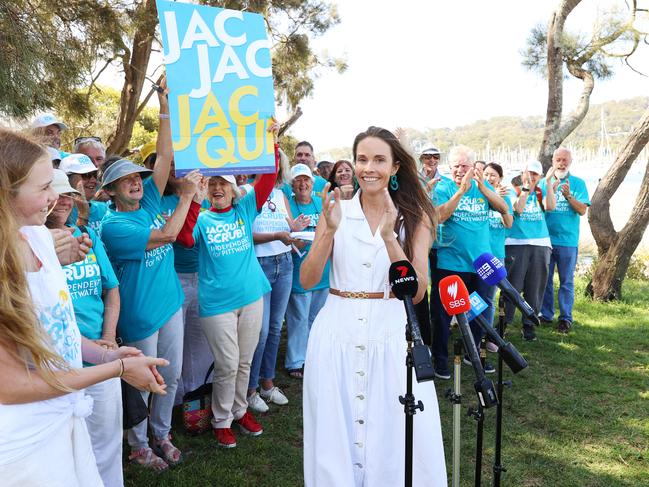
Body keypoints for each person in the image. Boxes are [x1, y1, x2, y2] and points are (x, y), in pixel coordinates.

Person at [0, 128, 167, 486]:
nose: (56, 197)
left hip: (63, 418)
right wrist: (118, 368)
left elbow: (59, 332)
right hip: (22, 445)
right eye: (45, 188)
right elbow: (12, 385)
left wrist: (107, 353)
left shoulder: (41, 240)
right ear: (6, 193)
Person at [301, 126, 447, 486]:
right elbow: (306, 279)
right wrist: (329, 232)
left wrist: (389, 240)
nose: (369, 168)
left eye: (379, 159)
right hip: (337, 334)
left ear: (395, 167)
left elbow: (417, 292)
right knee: (335, 434)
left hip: (391, 335)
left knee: (394, 433)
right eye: (362, 159)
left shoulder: (416, 217)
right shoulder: (336, 211)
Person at [100, 82, 201, 470]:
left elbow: (164, 155)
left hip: (170, 305)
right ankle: (139, 445)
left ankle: (162, 434)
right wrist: (190, 195)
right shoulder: (113, 226)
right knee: (142, 381)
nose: (136, 182)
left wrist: (164, 107)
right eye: (127, 180)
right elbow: (169, 235)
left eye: (138, 178)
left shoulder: (151, 200)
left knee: (170, 377)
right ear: (111, 190)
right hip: (140, 316)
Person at [176, 123, 281, 448]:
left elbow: (266, 180)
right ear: (207, 189)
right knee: (227, 363)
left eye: (225, 183)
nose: (219, 187)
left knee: (245, 361)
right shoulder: (203, 217)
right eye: (214, 183)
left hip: (251, 296)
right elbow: (184, 238)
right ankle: (221, 419)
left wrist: (271, 142)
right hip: (217, 303)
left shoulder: (245, 209)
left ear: (235, 189)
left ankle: (239, 410)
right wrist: (193, 199)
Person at [45, 169, 124, 487]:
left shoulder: (87, 239)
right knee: (65, 449)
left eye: (70, 194)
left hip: (98, 356)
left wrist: (107, 339)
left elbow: (112, 291)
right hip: (55, 363)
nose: (64, 200)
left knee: (107, 440)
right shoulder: (26, 249)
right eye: (56, 193)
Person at [431, 146, 509, 379]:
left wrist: (483, 187)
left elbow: (504, 208)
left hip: (481, 263)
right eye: (455, 166)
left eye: (464, 166)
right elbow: (439, 216)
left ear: (474, 168)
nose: (459, 170)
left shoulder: (481, 188)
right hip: (451, 263)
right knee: (443, 312)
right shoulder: (443, 186)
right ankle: (441, 360)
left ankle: (473, 353)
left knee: (480, 309)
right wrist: (460, 192)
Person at [248, 151, 309, 412]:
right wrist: (278, 234)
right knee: (259, 333)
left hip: (284, 263)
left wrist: (295, 227)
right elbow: (247, 235)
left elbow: (289, 230)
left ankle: (267, 383)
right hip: (259, 265)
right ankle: (250, 390)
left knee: (274, 328)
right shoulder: (246, 191)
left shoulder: (280, 194)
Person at [284, 164, 330, 379]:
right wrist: (295, 236)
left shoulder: (320, 203)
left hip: (322, 268)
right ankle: (295, 361)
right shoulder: (288, 205)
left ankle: (312, 355)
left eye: (307, 180)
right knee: (299, 318)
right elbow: (283, 236)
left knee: (316, 317)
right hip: (298, 268)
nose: (303, 184)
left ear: (313, 183)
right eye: (298, 180)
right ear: (292, 184)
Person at [539, 147, 590, 334]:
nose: (561, 163)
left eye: (564, 160)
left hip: (568, 241)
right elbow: (539, 208)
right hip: (545, 240)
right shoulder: (545, 183)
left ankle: (565, 318)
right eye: (558, 160)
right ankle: (545, 314)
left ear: (570, 161)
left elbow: (582, 210)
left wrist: (568, 196)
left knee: (566, 281)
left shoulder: (577, 183)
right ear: (553, 161)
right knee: (545, 280)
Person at [505, 160, 556, 341]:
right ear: (522, 173)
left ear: (540, 176)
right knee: (512, 286)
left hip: (540, 243)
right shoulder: (513, 189)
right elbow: (517, 209)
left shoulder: (542, 190)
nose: (531, 177)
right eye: (529, 173)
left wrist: (549, 183)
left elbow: (551, 207)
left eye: (535, 174)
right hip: (516, 243)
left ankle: (529, 324)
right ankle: (505, 322)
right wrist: (525, 189)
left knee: (535, 287)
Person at [483, 163, 514, 350]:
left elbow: (509, 223)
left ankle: (488, 337)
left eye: (493, 175)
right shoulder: (478, 197)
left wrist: (499, 204)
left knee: (489, 299)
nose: (489, 178)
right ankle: (471, 333)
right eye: (485, 174)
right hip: (477, 254)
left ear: (500, 178)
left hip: (496, 255)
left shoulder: (505, 199)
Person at [59, 153, 109, 233]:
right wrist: (82, 215)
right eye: (86, 175)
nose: (93, 180)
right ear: (66, 179)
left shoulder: (104, 209)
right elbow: (81, 243)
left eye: (94, 175)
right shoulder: (61, 215)